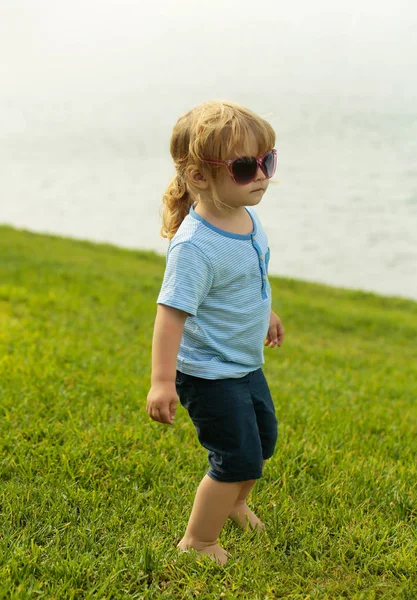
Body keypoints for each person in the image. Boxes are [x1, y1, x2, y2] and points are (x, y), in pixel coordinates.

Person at [146, 100, 285, 565]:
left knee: (263, 442)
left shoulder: (246, 215)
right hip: (208, 374)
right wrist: (163, 381)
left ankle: (235, 503)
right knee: (235, 456)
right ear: (200, 176)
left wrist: (267, 313)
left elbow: (251, 276)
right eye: (246, 167)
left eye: (267, 161)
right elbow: (170, 316)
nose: (262, 175)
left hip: (244, 363)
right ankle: (198, 540)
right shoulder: (195, 247)